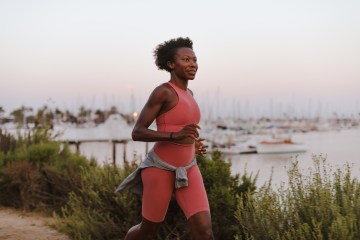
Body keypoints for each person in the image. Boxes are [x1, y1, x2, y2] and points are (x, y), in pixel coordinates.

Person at [117, 37, 213, 240]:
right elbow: (138, 132)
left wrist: (193, 143)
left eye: (195, 60)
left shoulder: (190, 94)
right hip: (159, 168)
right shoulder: (163, 92)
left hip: (189, 168)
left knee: (205, 231)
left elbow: (183, 128)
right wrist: (174, 136)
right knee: (147, 232)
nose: (193, 64)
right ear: (171, 64)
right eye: (186, 60)